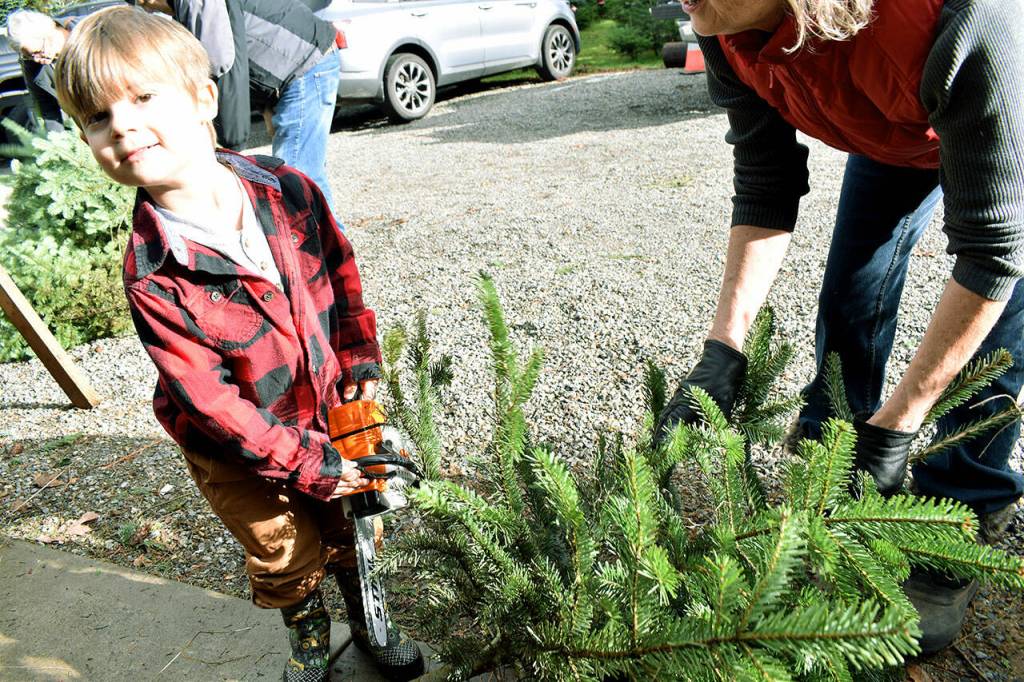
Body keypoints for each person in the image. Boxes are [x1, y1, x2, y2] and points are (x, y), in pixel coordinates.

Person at [53, 7, 423, 681]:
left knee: (349, 528)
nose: (123, 125)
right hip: (237, 450)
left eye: (141, 97)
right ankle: (309, 641)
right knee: (283, 549)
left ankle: (370, 618)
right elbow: (215, 405)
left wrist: (359, 360)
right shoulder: (154, 274)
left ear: (201, 97)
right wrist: (309, 464)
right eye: (98, 117)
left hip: (320, 406)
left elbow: (340, 277)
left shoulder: (287, 189)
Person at [653, 0, 1023, 657]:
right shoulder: (721, 16)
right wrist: (723, 347)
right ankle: (836, 471)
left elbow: (995, 250)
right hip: (899, 128)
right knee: (854, 288)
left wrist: (902, 420)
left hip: (1007, 118)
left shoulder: (961, 18)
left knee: (996, 346)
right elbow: (765, 180)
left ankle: (958, 511)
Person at [130, 0, 342, 217]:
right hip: (289, 71)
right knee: (304, 175)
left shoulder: (196, 3)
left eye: (143, 1)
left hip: (305, 63)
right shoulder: (187, 10)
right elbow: (243, 49)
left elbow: (217, 61)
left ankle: (329, 249)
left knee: (297, 179)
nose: (147, 8)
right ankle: (330, 245)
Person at [5, 9, 72, 132]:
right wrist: (58, 143)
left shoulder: (87, 34)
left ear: (48, 35)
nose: (36, 60)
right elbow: (48, 108)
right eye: (29, 56)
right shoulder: (31, 64)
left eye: (37, 52)